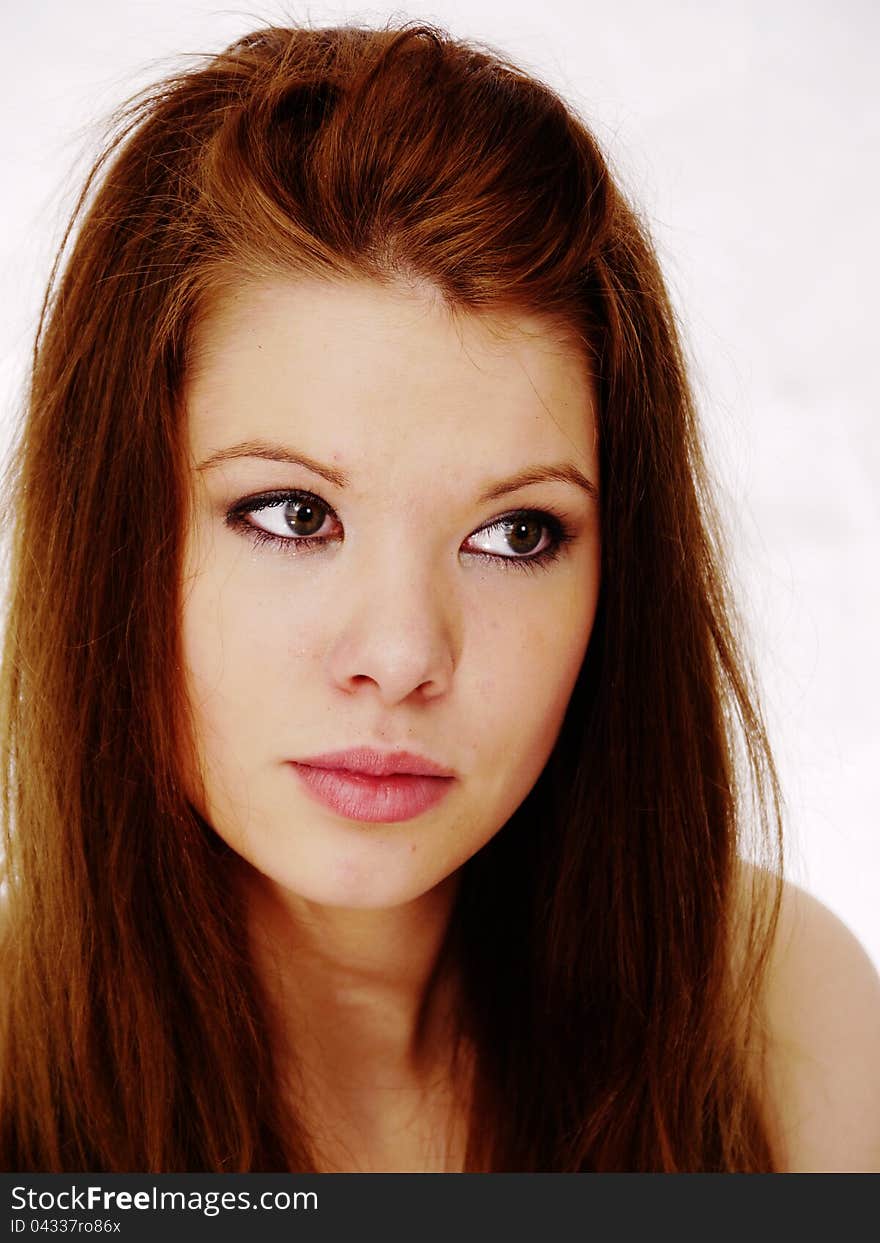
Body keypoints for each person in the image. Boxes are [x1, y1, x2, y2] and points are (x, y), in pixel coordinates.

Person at [0, 21, 878, 1175]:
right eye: (293, 514)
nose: (404, 651)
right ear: (117, 531)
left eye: (515, 533)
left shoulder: (776, 1013)